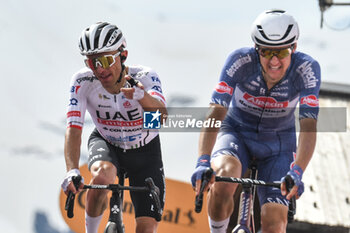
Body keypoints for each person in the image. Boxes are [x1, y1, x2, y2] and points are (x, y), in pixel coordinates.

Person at [191, 9, 320, 233]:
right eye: (266, 52)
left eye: (282, 51)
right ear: (256, 49)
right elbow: (216, 111)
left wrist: (298, 171)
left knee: (275, 223)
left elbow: (309, 125)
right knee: (222, 180)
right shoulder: (239, 61)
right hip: (236, 133)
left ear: (295, 48)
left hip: (278, 145)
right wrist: (203, 160)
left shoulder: (307, 69)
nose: (274, 61)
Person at [61, 22, 167, 233]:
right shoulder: (82, 81)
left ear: (123, 54)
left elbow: (160, 120)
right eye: (92, 62)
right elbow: (74, 128)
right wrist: (72, 169)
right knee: (103, 174)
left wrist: (142, 98)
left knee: (146, 228)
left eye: (106, 60)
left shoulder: (145, 77)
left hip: (145, 150)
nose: (100, 69)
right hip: (106, 142)